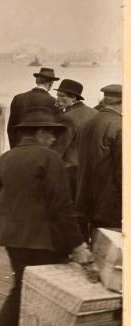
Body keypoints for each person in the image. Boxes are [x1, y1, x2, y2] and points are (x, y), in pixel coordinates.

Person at [0, 107, 92, 326]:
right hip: (42, 239)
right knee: (49, 294)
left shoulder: (7, 157)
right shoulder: (50, 158)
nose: (53, 139)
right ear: (39, 133)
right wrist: (78, 244)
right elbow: (62, 206)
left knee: (23, 288)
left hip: (11, 236)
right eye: (50, 134)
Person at [75, 84, 122, 241]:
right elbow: (123, 171)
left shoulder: (87, 123)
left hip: (86, 199)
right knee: (110, 247)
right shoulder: (120, 126)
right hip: (110, 204)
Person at [52, 79, 97, 199]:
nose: (57, 99)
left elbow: (59, 148)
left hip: (70, 170)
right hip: (90, 168)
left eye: (62, 96)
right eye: (57, 95)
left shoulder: (67, 117)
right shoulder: (95, 113)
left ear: (73, 97)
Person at [7, 67, 60, 147]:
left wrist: (14, 148)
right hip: (42, 148)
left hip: (20, 146)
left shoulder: (18, 98)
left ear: (37, 81)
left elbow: (11, 128)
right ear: (51, 83)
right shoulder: (53, 102)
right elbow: (55, 130)